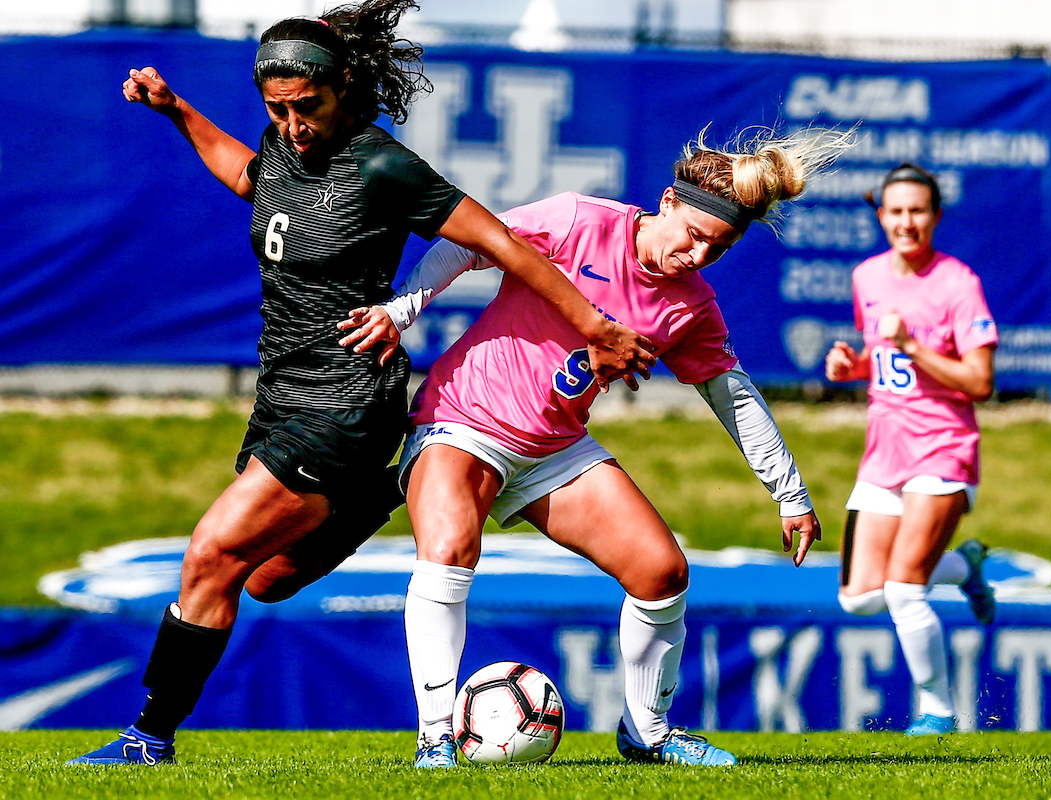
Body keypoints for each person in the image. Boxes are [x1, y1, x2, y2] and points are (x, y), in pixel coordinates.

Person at [69, 0, 654, 766]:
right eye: (276, 110)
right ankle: (377, 494)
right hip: (281, 399)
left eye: (305, 106)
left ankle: (148, 739)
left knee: (209, 555)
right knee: (266, 581)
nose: (292, 123)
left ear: (344, 85)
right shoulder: (284, 151)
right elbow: (249, 178)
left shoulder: (383, 165)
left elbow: (501, 243)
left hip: (343, 401)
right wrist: (177, 110)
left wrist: (594, 325)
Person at [337, 126, 850, 767]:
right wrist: (403, 308)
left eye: (715, 250)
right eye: (692, 235)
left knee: (661, 572)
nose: (696, 256)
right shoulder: (580, 220)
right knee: (448, 551)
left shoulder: (690, 306)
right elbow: (467, 243)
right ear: (667, 200)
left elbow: (734, 397)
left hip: (553, 448)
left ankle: (648, 734)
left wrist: (790, 492)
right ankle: (437, 737)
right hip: (462, 419)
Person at [823, 163, 998, 737]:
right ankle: (963, 566)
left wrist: (912, 346)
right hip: (884, 452)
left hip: (944, 448)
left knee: (902, 589)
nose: (906, 222)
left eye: (917, 211)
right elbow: (885, 360)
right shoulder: (867, 276)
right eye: (895, 211)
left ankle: (938, 712)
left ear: (936, 216)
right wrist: (854, 367)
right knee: (859, 598)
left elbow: (979, 381)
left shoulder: (958, 283)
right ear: (881, 216)